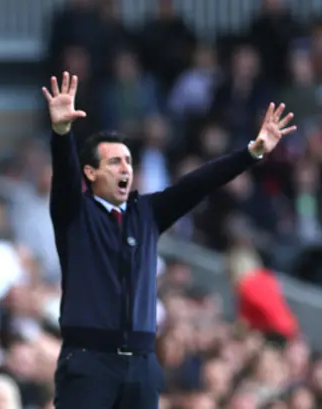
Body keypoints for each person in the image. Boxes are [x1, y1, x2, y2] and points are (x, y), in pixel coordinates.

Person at [41, 71, 296, 409]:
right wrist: (62, 133)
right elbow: (65, 178)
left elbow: (198, 184)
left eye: (129, 162)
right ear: (90, 172)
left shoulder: (147, 213)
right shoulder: (74, 214)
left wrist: (251, 153)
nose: (125, 169)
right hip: (88, 363)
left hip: (142, 365)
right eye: (114, 162)